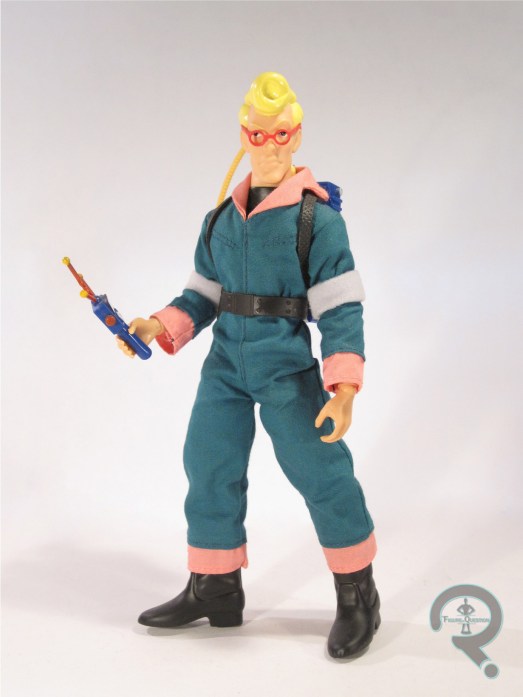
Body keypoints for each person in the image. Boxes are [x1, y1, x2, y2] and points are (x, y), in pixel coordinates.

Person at [117, 72, 380, 658]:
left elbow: (340, 305)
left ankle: (358, 592)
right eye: (259, 134)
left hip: (284, 364)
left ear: (298, 134)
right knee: (208, 463)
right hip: (225, 367)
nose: (271, 145)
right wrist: (157, 324)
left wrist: (343, 387)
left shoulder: (316, 220)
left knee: (319, 469)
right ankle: (214, 587)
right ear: (244, 135)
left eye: (282, 133)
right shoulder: (219, 220)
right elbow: (201, 296)